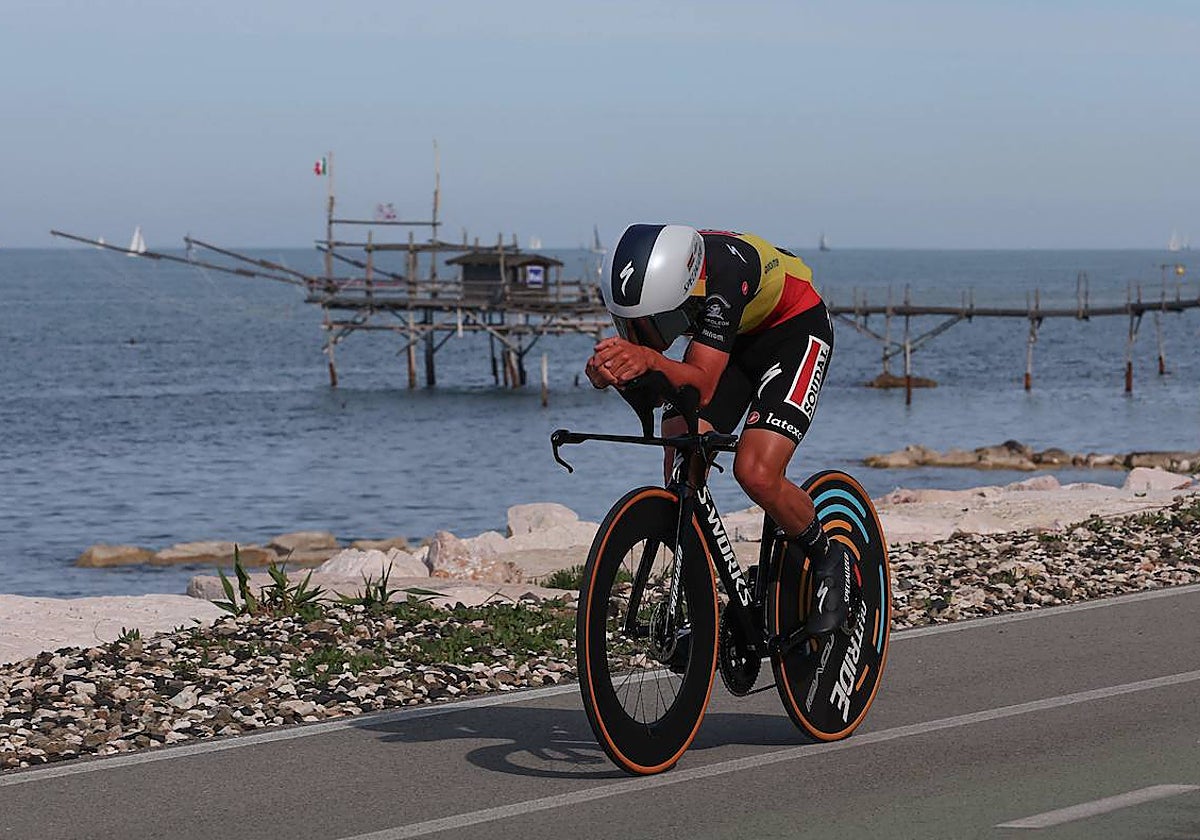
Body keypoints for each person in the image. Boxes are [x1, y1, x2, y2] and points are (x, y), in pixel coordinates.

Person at [585, 224, 847, 638]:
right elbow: (658, 387)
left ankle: (829, 559)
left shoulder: (723, 274)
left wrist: (647, 363)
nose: (645, 333)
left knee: (756, 472)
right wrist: (616, 374)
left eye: (651, 323)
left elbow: (702, 387)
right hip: (727, 342)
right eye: (633, 324)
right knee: (680, 461)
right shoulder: (658, 283)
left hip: (793, 331)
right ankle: (706, 604)